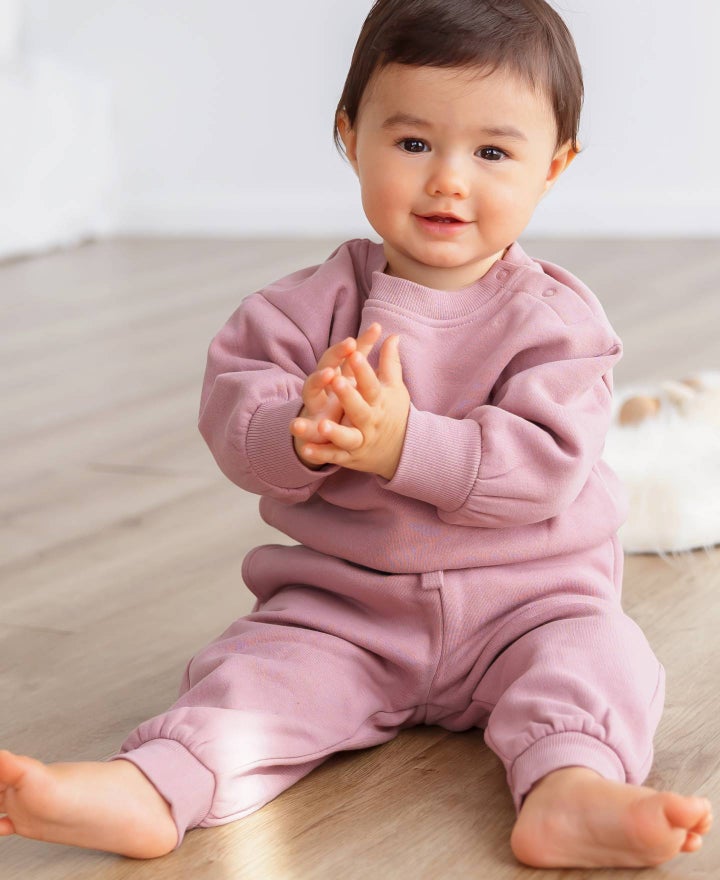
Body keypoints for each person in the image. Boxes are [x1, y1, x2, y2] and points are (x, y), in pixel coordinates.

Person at [0, 0, 713, 868]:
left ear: (553, 165)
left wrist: (402, 445)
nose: (448, 180)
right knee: (257, 677)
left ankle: (570, 788)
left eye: (492, 153)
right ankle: (153, 785)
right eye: (413, 143)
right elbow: (235, 419)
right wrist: (298, 432)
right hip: (348, 614)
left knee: (601, 658)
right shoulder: (300, 311)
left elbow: (545, 469)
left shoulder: (559, 323)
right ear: (351, 136)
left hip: (530, 608)